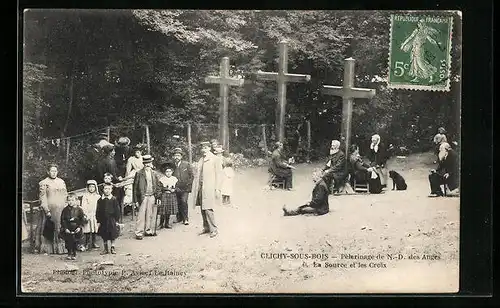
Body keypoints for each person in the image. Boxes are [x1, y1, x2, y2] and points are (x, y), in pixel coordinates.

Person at [190, 141, 224, 238]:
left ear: (209, 148)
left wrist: (218, 189)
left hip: (209, 187)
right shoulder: (201, 159)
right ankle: (206, 227)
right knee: (202, 208)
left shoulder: (215, 159)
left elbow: (219, 175)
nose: (203, 150)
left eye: (205, 148)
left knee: (208, 208)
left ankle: (214, 229)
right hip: (200, 187)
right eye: (202, 148)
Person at [34, 164, 68, 254]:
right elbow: (43, 198)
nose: (53, 173)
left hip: (60, 209)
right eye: (52, 171)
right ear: (48, 172)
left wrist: (65, 205)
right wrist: (46, 210)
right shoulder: (44, 183)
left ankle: (60, 248)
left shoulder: (61, 182)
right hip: (50, 209)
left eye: (55, 171)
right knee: (48, 227)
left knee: (60, 227)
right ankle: (47, 249)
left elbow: (65, 195)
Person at [132, 154, 162, 239]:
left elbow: (158, 186)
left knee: (150, 214)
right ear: (143, 164)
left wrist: (158, 197)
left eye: (149, 163)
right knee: (141, 215)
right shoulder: (139, 173)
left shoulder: (154, 173)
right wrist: (135, 200)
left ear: (151, 163)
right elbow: (135, 187)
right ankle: (139, 232)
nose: (147, 165)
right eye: (145, 163)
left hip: (152, 195)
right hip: (143, 196)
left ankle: (148, 230)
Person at [96, 183, 121, 254]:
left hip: (111, 219)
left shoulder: (114, 199)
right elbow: (98, 210)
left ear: (111, 190)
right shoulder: (100, 200)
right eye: (105, 189)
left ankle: (112, 247)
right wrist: (98, 220)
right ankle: (105, 248)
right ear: (103, 190)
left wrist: (117, 220)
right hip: (103, 220)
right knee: (104, 234)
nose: (107, 190)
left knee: (112, 233)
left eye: (109, 189)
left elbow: (117, 210)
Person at [172, 148, 193, 225]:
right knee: (178, 202)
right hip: (176, 187)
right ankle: (179, 218)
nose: (177, 157)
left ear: (181, 156)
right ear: (173, 157)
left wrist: (189, 185)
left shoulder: (186, 164)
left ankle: (185, 219)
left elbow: (191, 176)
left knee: (184, 202)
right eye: (175, 155)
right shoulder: (172, 165)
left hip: (185, 188)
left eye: (178, 155)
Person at [60, 193, 84, 260]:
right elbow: (63, 220)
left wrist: (79, 227)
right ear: (67, 201)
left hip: (76, 227)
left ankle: (74, 253)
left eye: (72, 200)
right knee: (68, 241)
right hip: (68, 227)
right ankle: (69, 253)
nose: (70, 202)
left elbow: (82, 219)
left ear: (76, 201)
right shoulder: (65, 210)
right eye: (69, 200)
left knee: (75, 241)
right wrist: (65, 228)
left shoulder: (79, 209)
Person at [158, 162, 179, 229]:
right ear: (164, 172)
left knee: (168, 210)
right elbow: (160, 187)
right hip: (164, 195)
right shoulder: (162, 179)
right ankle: (161, 223)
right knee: (163, 210)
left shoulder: (174, 179)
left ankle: (167, 223)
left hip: (171, 195)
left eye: (170, 171)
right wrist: (167, 189)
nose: (168, 173)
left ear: (172, 172)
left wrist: (174, 190)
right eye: (167, 172)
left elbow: (177, 187)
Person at [80, 180, 100, 250]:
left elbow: (99, 206)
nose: (91, 188)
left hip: (95, 214)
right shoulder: (85, 196)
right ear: (88, 188)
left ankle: (94, 242)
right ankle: (87, 243)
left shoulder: (97, 196)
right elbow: (84, 205)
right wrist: (85, 214)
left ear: (95, 188)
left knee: (94, 228)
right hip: (88, 214)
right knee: (87, 229)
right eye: (90, 187)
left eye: (93, 187)